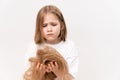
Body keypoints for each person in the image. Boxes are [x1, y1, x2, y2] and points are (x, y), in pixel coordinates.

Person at [24, 5, 79, 80]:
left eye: (53, 24)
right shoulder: (34, 46)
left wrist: (59, 72)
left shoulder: (69, 46)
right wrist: (38, 75)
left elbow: (71, 78)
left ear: (62, 25)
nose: (49, 29)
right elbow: (27, 77)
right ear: (39, 28)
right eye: (44, 25)